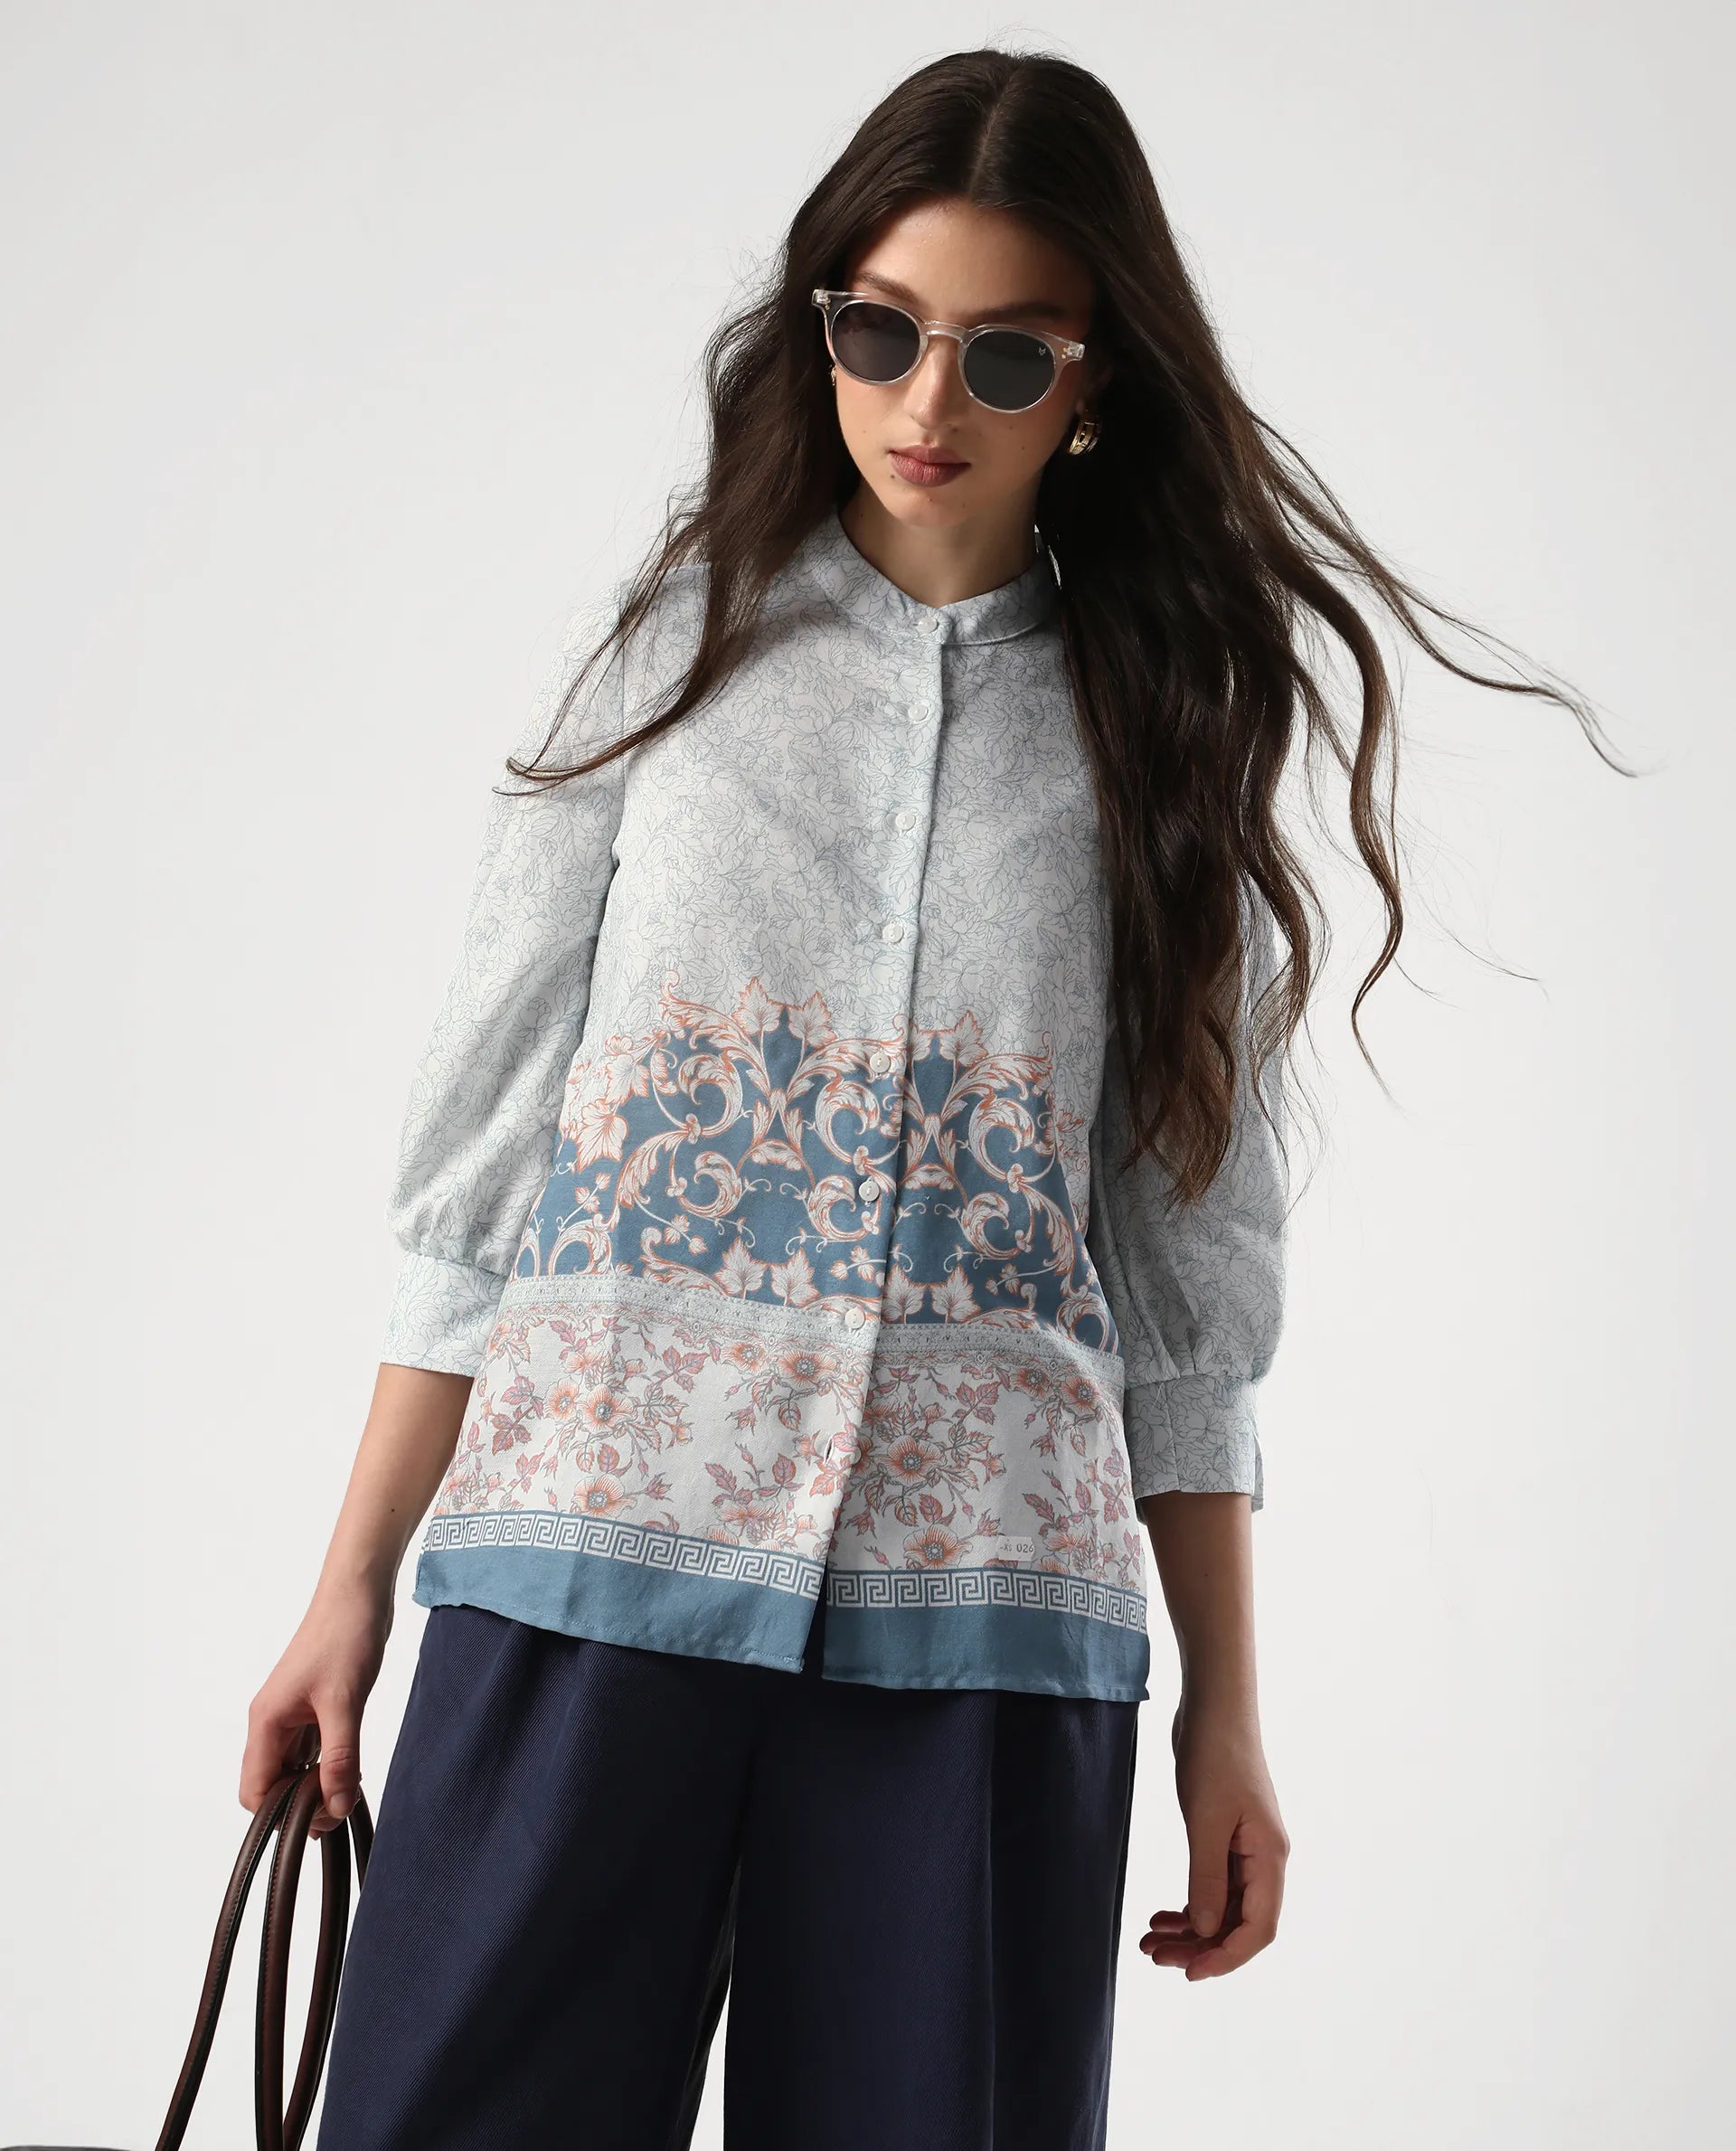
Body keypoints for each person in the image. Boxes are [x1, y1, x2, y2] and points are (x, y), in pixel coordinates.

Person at [241, 45, 1616, 2151]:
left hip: (983, 1617)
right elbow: (482, 1170)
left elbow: (1185, 1280)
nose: (925, 400)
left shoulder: (1162, 743)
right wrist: (349, 1578)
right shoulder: (670, 658)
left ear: (1096, 383)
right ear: (823, 327)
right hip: (585, 1554)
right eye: (881, 331)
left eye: (1005, 353)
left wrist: (1229, 1713)